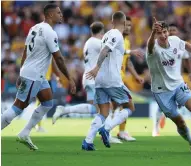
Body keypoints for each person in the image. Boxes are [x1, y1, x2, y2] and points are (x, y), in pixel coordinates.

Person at [1, 4, 76, 150]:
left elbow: (25, 52)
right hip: (33, 75)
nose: (61, 15)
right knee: (18, 108)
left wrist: (21, 70)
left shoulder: (34, 28)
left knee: (47, 103)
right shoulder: (50, 32)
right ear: (49, 15)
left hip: (35, 74)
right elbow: (59, 58)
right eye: (58, 13)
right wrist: (70, 78)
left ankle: (24, 132)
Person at [146, 17, 191, 153]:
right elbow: (149, 46)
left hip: (178, 84)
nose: (163, 35)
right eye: (160, 33)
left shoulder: (175, 41)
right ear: (156, 34)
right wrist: (153, 33)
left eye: (165, 32)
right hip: (161, 91)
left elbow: (187, 45)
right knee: (180, 122)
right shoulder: (153, 48)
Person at [83, 11, 137, 150]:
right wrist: (96, 67)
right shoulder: (116, 34)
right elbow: (105, 50)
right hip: (112, 79)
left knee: (103, 113)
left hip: (100, 80)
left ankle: (88, 141)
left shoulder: (107, 34)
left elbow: (109, 50)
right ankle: (106, 129)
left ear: (112, 22)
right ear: (124, 23)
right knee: (130, 107)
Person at [52, 22, 105, 125]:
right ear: (101, 32)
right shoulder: (95, 42)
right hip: (94, 79)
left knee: (95, 108)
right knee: (104, 107)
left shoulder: (88, 43)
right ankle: (104, 132)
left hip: (89, 78)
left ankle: (64, 110)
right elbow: (109, 49)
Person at [152, 23, 191, 137]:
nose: (173, 32)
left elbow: (187, 60)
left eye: (175, 30)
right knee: (161, 107)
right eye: (171, 30)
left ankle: (170, 119)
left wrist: (190, 73)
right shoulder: (160, 46)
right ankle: (155, 129)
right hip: (163, 83)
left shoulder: (180, 46)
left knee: (179, 105)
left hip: (177, 81)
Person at [108, 16, 144, 143]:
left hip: (120, 78)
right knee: (125, 104)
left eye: (130, 25)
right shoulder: (114, 38)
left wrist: (136, 76)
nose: (128, 27)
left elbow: (128, 62)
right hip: (112, 78)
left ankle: (117, 132)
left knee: (119, 106)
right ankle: (108, 132)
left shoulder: (127, 41)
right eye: (126, 25)